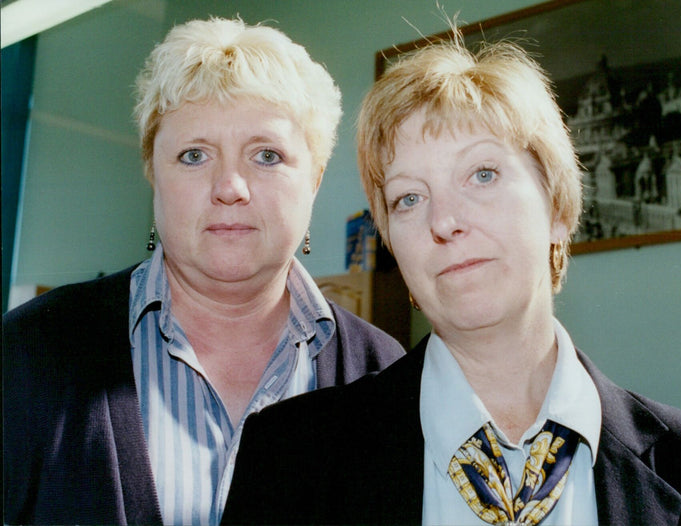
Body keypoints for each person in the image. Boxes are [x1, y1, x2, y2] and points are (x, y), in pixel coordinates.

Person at [221, 35, 681, 525]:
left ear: (558, 208)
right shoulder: (290, 456)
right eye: (409, 197)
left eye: (483, 174)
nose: (444, 220)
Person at [3, 17, 404, 525]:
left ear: (316, 180)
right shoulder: (31, 351)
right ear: (152, 171)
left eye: (267, 155)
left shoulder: (383, 374)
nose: (230, 186)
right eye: (194, 155)